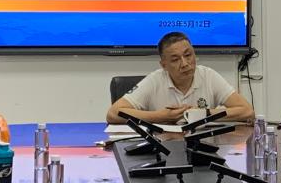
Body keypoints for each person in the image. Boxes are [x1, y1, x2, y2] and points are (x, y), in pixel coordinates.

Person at [106, 32, 254, 124]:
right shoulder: (155, 80)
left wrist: (204, 114)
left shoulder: (208, 76)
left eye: (188, 55)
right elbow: (113, 114)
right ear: (164, 65)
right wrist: (160, 116)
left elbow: (247, 111)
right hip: (164, 148)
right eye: (175, 59)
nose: (185, 64)